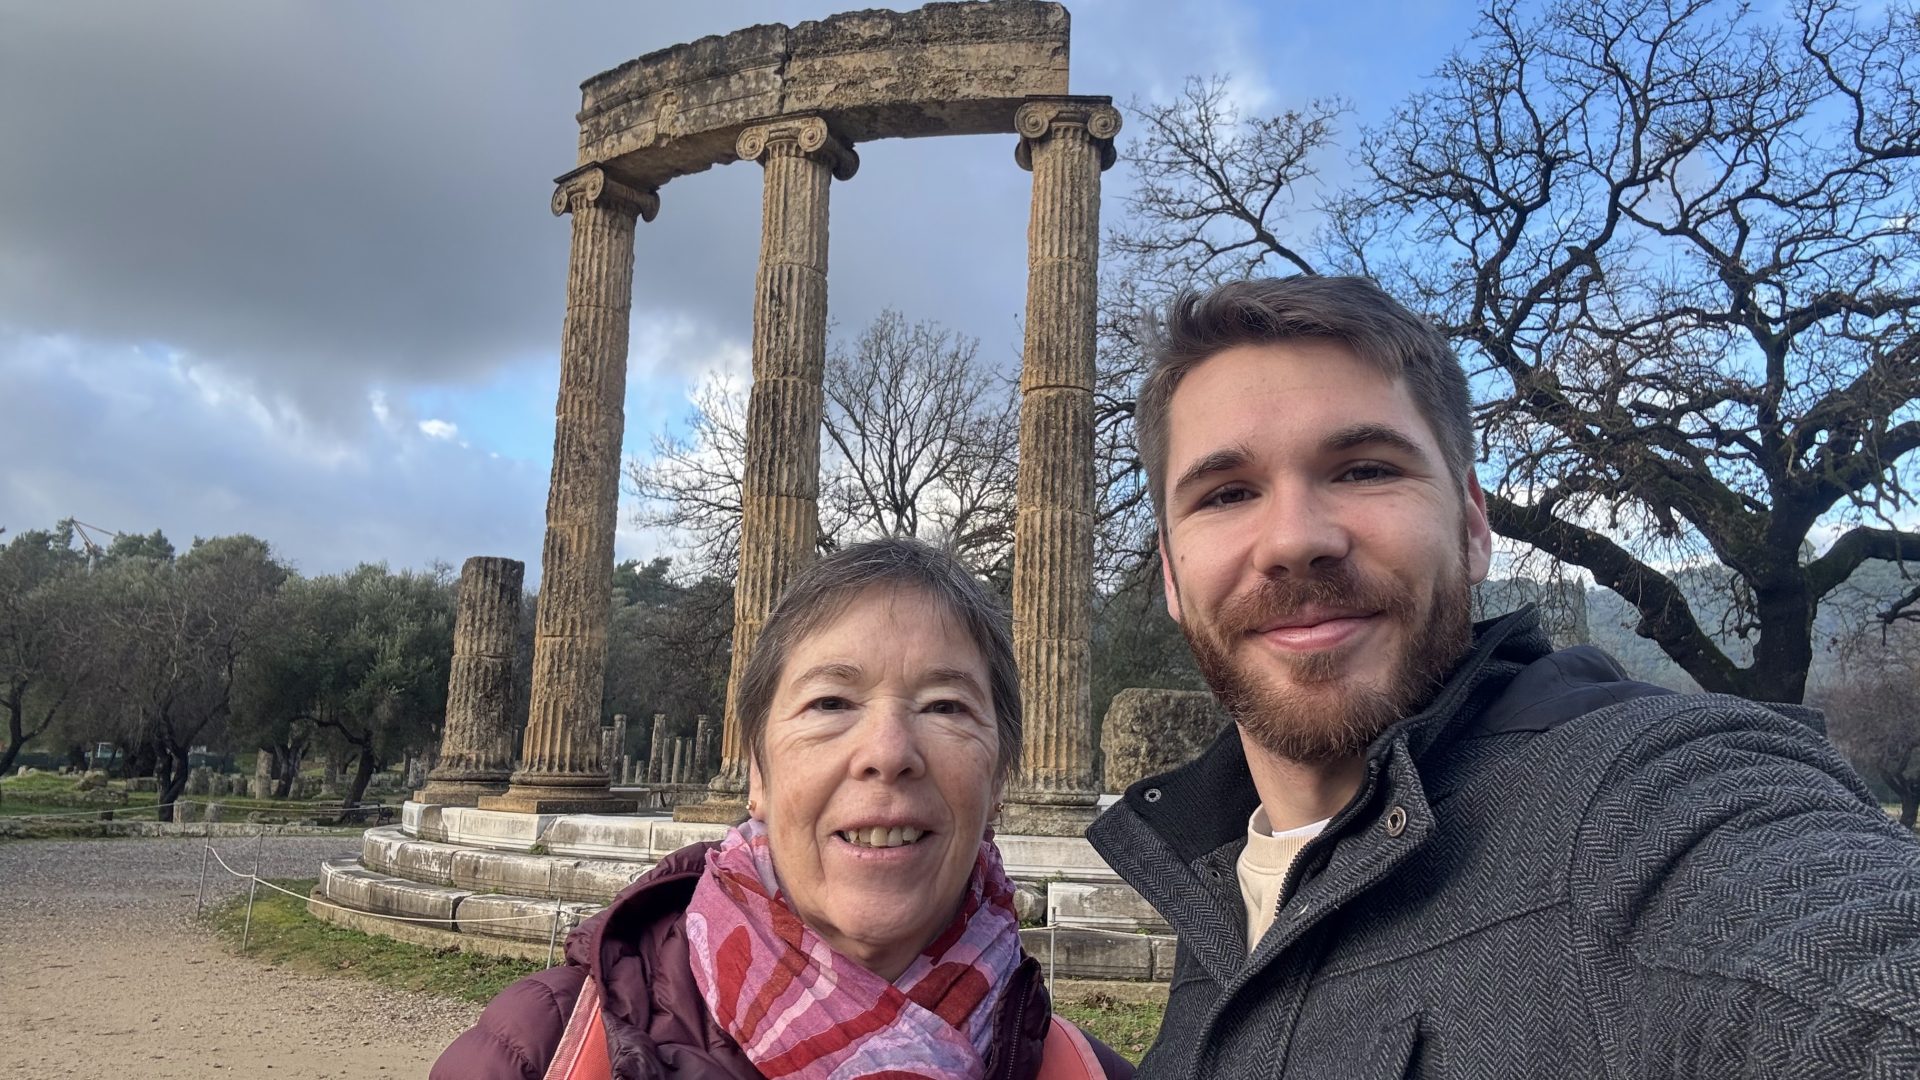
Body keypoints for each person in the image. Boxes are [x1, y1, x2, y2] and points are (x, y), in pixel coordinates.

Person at [1086, 276, 1920, 1078]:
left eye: (1366, 468)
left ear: (1473, 526)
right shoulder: (1212, 876)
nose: (1294, 538)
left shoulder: (1642, 804)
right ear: (1169, 570)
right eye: (1227, 493)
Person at [434, 537, 1132, 1080]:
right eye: (830, 702)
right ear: (756, 774)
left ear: (1001, 778)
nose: (887, 752)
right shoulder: (542, 1051)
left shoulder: (1091, 1073)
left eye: (946, 706)